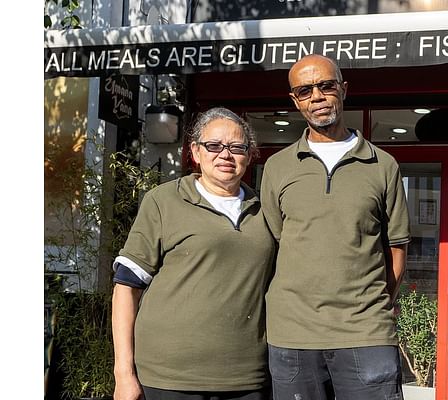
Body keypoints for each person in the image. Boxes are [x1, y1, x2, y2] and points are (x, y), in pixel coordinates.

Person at [260, 54, 411, 400]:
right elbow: (273, 244)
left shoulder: (382, 165)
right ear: (295, 101)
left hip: (366, 333)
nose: (317, 96)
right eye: (305, 90)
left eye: (326, 85)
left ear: (344, 90)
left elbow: (397, 250)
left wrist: (374, 306)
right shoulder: (277, 167)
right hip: (293, 335)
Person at [111, 107, 275, 400]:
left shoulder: (266, 211)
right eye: (214, 146)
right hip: (168, 377)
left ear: (249, 156)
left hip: (246, 378)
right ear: (196, 152)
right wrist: (123, 375)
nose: (225, 155)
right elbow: (126, 288)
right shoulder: (163, 201)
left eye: (237, 147)